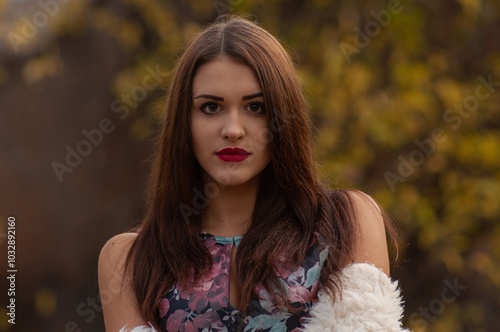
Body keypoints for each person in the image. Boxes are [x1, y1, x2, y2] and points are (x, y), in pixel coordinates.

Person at [98, 15, 408, 332]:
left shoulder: (347, 222)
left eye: (256, 107)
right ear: (184, 122)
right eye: (210, 107)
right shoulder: (130, 260)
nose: (233, 129)